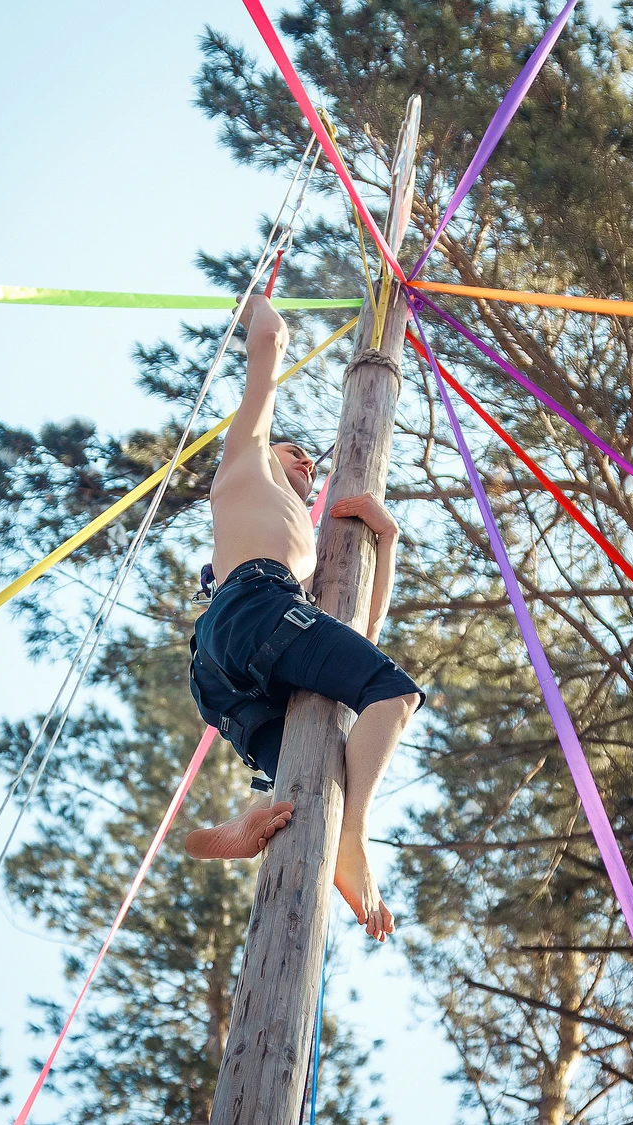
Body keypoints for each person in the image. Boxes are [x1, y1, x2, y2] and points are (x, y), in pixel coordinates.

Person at [186, 294, 424, 942]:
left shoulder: (304, 555)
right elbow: (269, 341)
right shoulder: (243, 464)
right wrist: (258, 302)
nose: (305, 462)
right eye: (293, 450)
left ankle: (249, 817)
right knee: (395, 692)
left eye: (310, 464)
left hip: (231, 658)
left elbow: (359, 638)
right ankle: (352, 838)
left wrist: (388, 537)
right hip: (253, 605)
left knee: (314, 772)